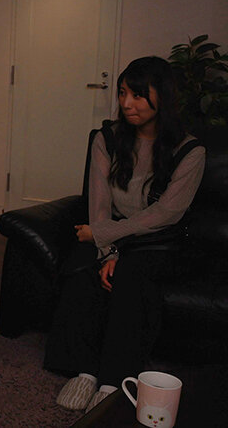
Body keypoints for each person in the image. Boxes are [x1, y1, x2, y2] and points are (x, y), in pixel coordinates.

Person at [44, 56, 206, 412]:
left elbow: (166, 213)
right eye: (122, 93)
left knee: (131, 276)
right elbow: (99, 201)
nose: (127, 103)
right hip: (112, 234)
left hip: (159, 240)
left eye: (137, 95)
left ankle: (113, 380)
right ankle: (85, 371)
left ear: (162, 95)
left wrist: (103, 235)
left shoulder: (190, 150)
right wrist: (109, 251)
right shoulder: (107, 138)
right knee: (83, 267)